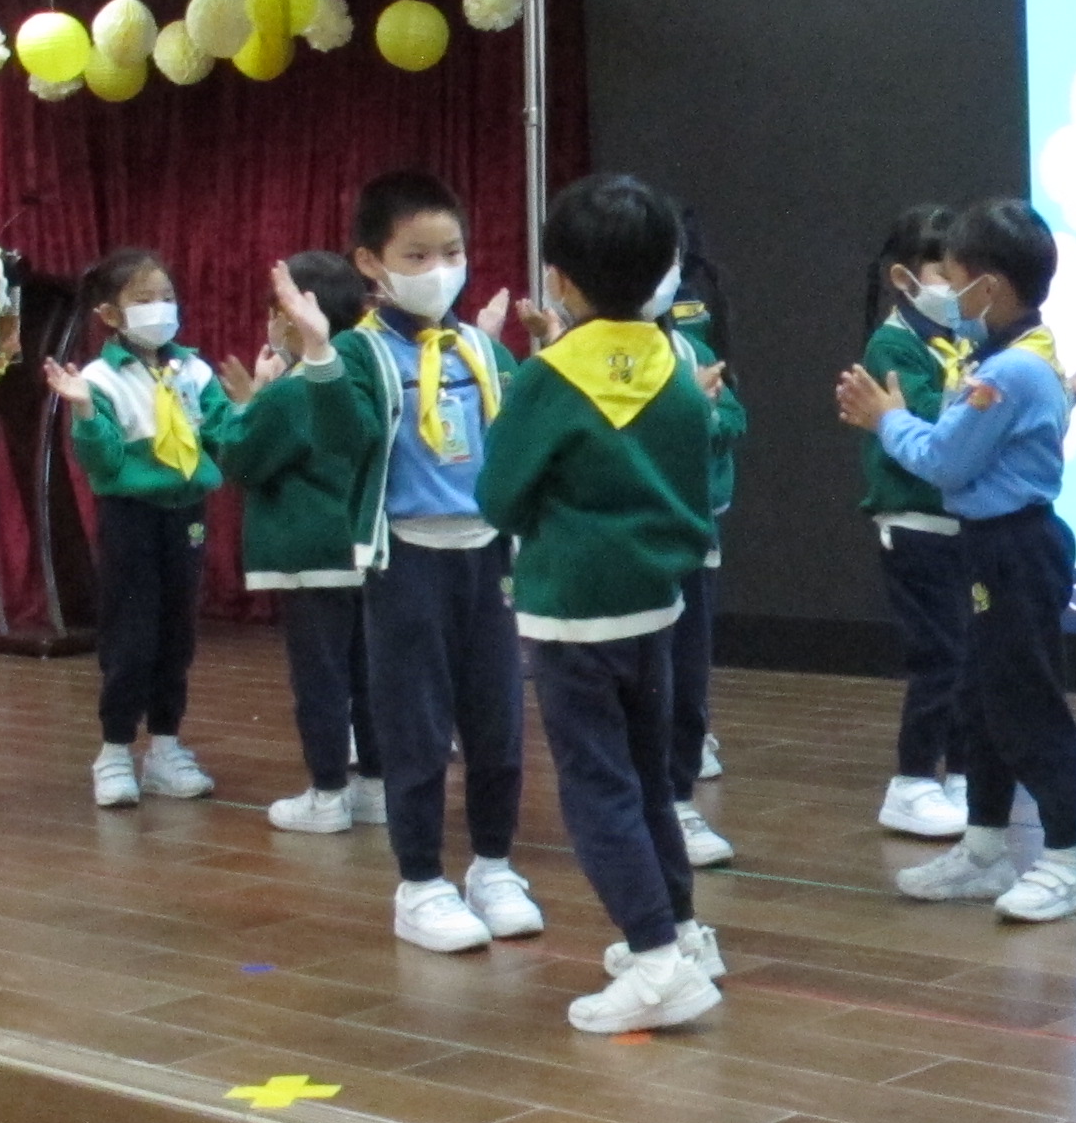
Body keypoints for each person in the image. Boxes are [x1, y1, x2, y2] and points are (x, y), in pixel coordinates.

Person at [474, 175, 726, 1033]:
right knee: (650, 783)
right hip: (656, 608)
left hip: (572, 614)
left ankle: (653, 962)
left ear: (559, 279)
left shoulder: (546, 378)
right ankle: (681, 935)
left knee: (597, 791)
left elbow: (499, 496)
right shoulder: (680, 368)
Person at [835, 198, 1076, 922]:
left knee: (1029, 705)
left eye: (954, 280)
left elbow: (945, 460)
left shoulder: (1008, 372)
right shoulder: (1000, 358)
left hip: (1017, 548)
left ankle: (1069, 859)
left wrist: (885, 418)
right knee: (982, 703)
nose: (947, 294)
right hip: (989, 544)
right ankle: (985, 850)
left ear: (992, 287)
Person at [298, 172, 540, 955]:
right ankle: (421, 883)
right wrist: (317, 355)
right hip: (407, 559)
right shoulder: (359, 351)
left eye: (452, 252)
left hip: (486, 555)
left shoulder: (481, 348)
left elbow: (516, 444)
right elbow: (342, 443)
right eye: (417, 255)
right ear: (371, 262)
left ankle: (493, 867)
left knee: (498, 723)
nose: (440, 269)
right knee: (417, 727)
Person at [45, 249, 237, 810]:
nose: (160, 309)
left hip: (187, 512)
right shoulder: (99, 379)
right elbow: (102, 463)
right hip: (130, 516)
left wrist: (255, 402)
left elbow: (227, 434)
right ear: (110, 314)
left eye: (167, 297)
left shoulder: (194, 372)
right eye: (143, 299)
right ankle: (114, 750)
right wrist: (84, 413)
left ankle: (166, 748)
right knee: (131, 633)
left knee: (177, 632)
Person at [224, 251, 383, 836]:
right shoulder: (361, 374)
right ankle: (376, 788)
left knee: (320, 679)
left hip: (307, 555)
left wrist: (252, 398)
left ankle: (327, 794)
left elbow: (241, 458)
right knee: (368, 675)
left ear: (296, 317)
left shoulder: (292, 392)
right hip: (362, 548)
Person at [858, 205, 973, 839]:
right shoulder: (893, 344)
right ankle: (911, 782)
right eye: (943, 274)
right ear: (905, 279)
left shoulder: (965, 338)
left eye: (963, 273)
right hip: (913, 526)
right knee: (938, 657)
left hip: (960, 525)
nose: (956, 287)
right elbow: (936, 421)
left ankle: (963, 771)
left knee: (969, 657)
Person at [661, 213, 746, 869]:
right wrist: (684, 410)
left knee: (687, 676)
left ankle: (678, 799)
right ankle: (644, 804)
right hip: (627, 551)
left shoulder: (691, 348)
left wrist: (708, 409)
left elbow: (732, 416)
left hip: (693, 534)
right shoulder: (580, 359)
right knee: (640, 682)